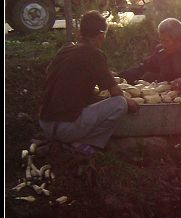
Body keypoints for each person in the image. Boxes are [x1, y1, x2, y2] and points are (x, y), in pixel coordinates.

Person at [39, 10, 139, 156]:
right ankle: (87, 143)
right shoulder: (94, 54)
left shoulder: (65, 50)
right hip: (65, 128)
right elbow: (116, 93)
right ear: (100, 35)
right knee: (120, 103)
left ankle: (71, 140)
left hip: (45, 124)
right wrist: (130, 102)